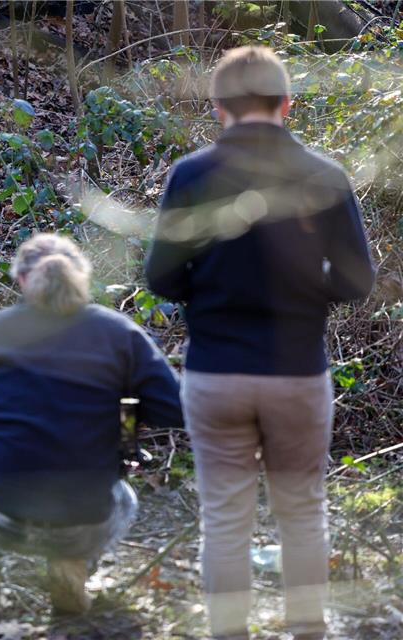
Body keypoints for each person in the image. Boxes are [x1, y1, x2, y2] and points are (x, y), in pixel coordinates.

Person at [145, 46, 375, 640]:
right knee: (302, 515)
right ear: (287, 104)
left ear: (219, 107)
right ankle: (307, 631)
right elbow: (357, 282)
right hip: (297, 370)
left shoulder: (192, 175)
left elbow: (162, 278)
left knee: (224, 520)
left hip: (216, 372)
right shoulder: (323, 175)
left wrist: (214, 289)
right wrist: (305, 292)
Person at [0, 233, 183, 613]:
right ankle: (71, 567)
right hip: (87, 521)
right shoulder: (119, 332)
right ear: (82, 279)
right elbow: (175, 410)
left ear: (22, 280)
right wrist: (123, 415)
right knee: (125, 499)